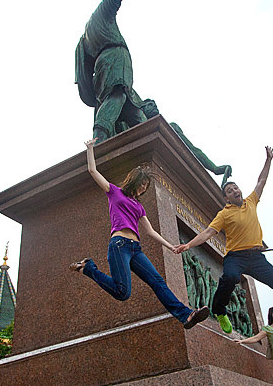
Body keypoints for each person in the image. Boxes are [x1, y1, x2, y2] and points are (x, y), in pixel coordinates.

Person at [173, 147, 273, 333]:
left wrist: (268, 160)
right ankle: (219, 310)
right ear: (226, 198)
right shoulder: (224, 214)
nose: (234, 190)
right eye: (230, 190)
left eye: (236, 188)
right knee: (231, 277)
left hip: (257, 258)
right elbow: (208, 232)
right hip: (236, 257)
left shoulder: (251, 202)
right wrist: (188, 245)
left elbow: (261, 181)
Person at [70, 139, 209, 328]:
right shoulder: (114, 192)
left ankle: (186, 315)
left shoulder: (139, 206)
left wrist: (170, 246)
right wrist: (90, 149)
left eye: (146, 186)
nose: (144, 188)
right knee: (123, 293)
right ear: (135, 181)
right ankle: (88, 268)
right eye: (142, 184)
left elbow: (150, 231)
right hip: (119, 246)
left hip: (136, 249)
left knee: (157, 282)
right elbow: (93, 171)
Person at [75, 0, 176, 142]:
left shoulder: (84, 43)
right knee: (118, 95)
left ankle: (150, 147)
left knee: (136, 115)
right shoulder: (102, 15)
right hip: (115, 59)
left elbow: (86, 82)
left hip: (105, 66)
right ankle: (98, 142)